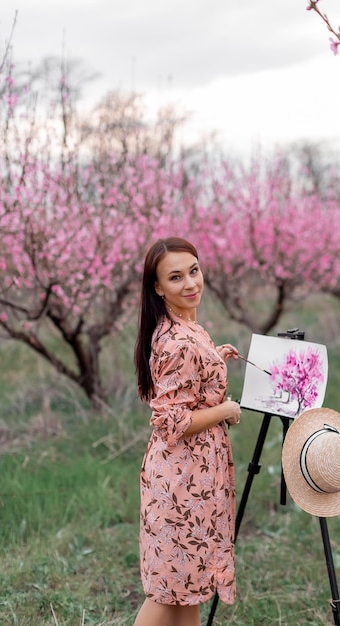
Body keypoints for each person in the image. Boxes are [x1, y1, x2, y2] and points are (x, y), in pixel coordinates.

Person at [133, 236, 241, 626]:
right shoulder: (176, 340)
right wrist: (225, 409)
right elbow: (171, 421)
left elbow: (186, 387)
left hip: (193, 476)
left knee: (188, 586)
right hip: (182, 480)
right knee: (167, 593)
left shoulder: (184, 325)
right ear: (158, 287)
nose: (191, 283)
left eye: (193, 271)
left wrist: (214, 359)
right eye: (176, 277)